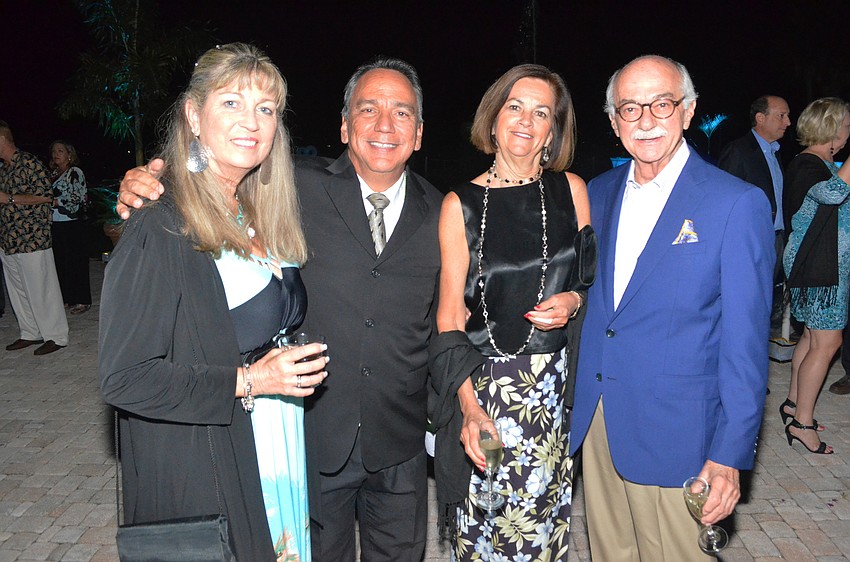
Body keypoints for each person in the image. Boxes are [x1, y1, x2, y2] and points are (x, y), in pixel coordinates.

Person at [117, 57, 442, 561]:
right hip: (310, 438)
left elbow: (456, 316)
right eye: (368, 109)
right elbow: (214, 173)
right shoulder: (292, 187)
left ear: (419, 134)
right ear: (343, 125)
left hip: (398, 441)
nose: (384, 125)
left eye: (401, 113)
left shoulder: (444, 212)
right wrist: (146, 183)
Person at [99, 43, 329, 560]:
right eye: (231, 103)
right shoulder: (161, 224)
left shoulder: (256, 209)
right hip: (213, 461)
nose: (251, 121)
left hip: (276, 444)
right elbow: (125, 377)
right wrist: (252, 380)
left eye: (265, 109)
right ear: (193, 115)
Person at [569, 55, 774, 561]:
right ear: (614, 122)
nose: (645, 120)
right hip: (598, 422)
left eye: (661, 104)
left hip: (679, 433)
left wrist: (728, 456)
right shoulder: (595, 194)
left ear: (688, 111)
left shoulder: (735, 203)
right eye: (629, 108)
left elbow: (746, 346)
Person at [432, 64, 595, 561]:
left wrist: (572, 301)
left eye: (541, 111)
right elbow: (448, 319)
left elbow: (585, 280)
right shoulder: (460, 204)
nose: (526, 120)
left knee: (540, 531)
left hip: (550, 394)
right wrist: (468, 405)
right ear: (495, 116)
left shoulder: (572, 189)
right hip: (486, 393)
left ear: (553, 128)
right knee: (489, 537)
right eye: (515, 106)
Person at [780, 97, 850, 453]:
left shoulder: (820, 162)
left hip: (817, 262)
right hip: (820, 267)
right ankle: (803, 424)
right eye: (847, 124)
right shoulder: (809, 165)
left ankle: (794, 404)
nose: (849, 131)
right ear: (832, 128)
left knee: (811, 338)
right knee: (828, 342)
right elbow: (832, 195)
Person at [719, 95, 791, 330]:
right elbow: (723, 199)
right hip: (749, 242)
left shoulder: (775, 152)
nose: (788, 122)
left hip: (775, 239)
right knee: (743, 301)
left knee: (763, 302)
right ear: (760, 118)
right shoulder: (739, 151)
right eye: (782, 116)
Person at [0, 120, 69, 356]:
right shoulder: (3, 169)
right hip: (8, 240)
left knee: (42, 289)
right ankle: (30, 332)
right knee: (18, 291)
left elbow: (45, 196)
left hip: (31, 237)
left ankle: (56, 335)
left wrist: (9, 198)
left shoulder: (29, 163)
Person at [49, 140, 92, 314]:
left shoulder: (75, 172)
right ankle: (67, 298)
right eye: (53, 151)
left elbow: (78, 197)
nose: (56, 154)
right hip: (57, 223)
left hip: (73, 223)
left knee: (76, 262)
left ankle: (82, 300)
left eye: (60, 150)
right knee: (61, 262)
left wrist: (55, 201)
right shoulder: (53, 173)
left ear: (69, 154)